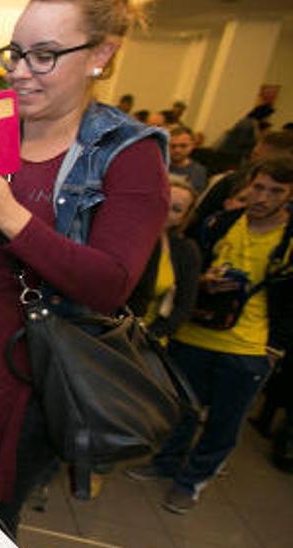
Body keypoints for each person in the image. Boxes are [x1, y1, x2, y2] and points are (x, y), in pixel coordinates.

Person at [0, 0, 168, 535]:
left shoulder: (126, 154)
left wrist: (10, 216)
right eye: (15, 53)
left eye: (43, 56)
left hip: (19, 394)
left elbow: (109, 284)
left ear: (101, 56)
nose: (19, 71)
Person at [127, 157, 293, 514]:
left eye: (275, 191)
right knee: (183, 408)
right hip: (196, 334)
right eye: (259, 187)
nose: (263, 197)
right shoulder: (220, 223)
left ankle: (192, 481)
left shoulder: (288, 242)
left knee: (224, 421)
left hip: (249, 346)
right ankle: (167, 462)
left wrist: (275, 347)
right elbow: (188, 270)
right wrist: (203, 282)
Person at [129, 176, 203, 345]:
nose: (165, 211)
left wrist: (147, 337)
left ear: (183, 219)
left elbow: (183, 308)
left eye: (176, 209)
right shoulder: (116, 234)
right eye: (163, 200)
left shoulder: (185, 250)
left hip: (145, 343)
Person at [186, 130, 293, 240]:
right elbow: (197, 221)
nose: (262, 198)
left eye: (276, 191)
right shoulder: (229, 181)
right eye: (257, 188)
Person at [169, 126, 209, 193]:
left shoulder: (198, 171)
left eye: (183, 146)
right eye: (173, 146)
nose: (177, 150)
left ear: (192, 146)